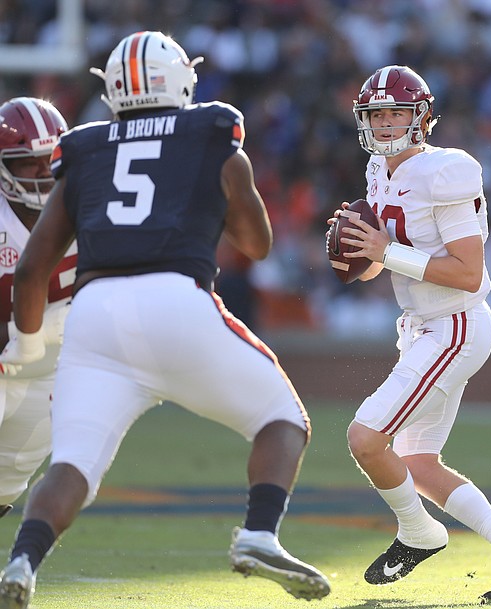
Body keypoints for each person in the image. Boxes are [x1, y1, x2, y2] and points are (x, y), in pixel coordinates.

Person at [0, 31, 330, 609]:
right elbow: (256, 244)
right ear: (182, 79)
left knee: (74, 463)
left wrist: (25, 350)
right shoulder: (211, 133)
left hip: (92, 315)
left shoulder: (84, 148)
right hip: (176, 297)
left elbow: (32, 268)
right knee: (284, 420)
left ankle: (23, 560)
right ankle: (258, 532)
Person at [327, 64, 491, 602]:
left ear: (421, 117)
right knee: (417, 463)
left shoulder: (446, 170)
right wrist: (364, 252)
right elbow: (390, 261)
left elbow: (467, 272)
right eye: (375, 114)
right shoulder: (379, 171)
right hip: (425, 325)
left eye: (395, 113)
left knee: (366, 437)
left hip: (456, 323)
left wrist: (387, 252)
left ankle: (419, 532)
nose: (383, 124)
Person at [0, 97, 73, 518]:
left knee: (7, 480)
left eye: (51, 158)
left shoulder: (91, 207)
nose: (44, 171)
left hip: (47, 367)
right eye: (29, 163)